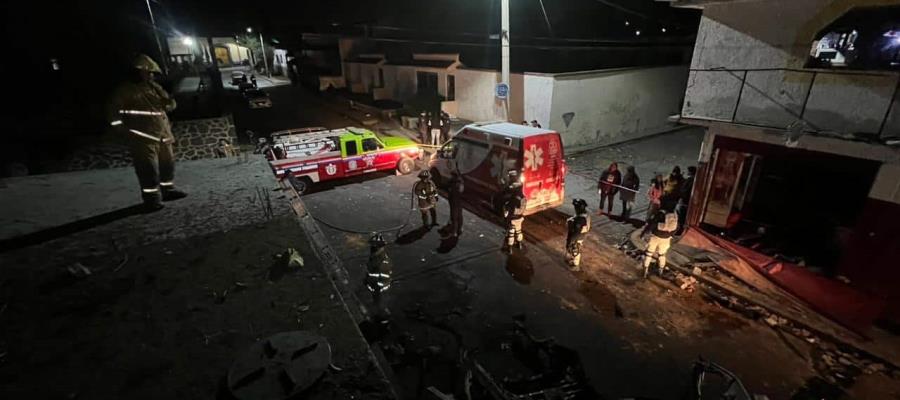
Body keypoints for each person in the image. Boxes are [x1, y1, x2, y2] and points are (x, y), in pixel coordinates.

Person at [108, 54, 187, 212]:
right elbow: (113, 113)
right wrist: (123, 130)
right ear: (138, 72)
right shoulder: (125, 90)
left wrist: (170, 102)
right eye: (149, 72)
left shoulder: (155, 87)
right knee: (147, 168)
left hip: (163, 134)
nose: (152, 75)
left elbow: (169, 106)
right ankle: (152, 199)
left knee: (167, 164)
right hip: (142, 136)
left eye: (152, 73)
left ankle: (168, 190)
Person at [642, 209, 678, 278]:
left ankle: (645, 270)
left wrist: (645, 233)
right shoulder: (675, 216)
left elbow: (652, 225)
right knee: (662, 255)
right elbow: (676, 228)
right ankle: (660, 270)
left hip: (655, 237)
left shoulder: (660, 214)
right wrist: (670, 235)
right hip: (666, 239)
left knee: (649, 254)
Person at [365, 233, 393, 322]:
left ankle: (382, 318)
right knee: (377, 302)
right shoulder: (375, 256)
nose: (372, 248)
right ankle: (379, 315)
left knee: (379, 302)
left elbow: (383, 276)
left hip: (379, 288)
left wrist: (377, 286)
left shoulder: (382, 260)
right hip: (376, 286)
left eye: (374, 246)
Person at [502, 171, 526, 254]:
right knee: (519, 231)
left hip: (513, 217)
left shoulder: (513, 194)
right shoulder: (522, 195)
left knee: (511, 233)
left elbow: (508, 203)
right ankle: (519, 244)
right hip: (520, 216)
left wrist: (506, 211)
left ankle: (510, 249)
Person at [565, 198, 591, 271]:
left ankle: (575, 265)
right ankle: (573, 260)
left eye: (576, 207)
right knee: (575, 247)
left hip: (579, 235)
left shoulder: (581, 219)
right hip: (581, 233)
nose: (575, 208)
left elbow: (576, 233)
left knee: (574, 248)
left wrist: (570, 241)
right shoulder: (585, 214)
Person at [677, 166, 696, 233]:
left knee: (681, 216)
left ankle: (680, 229)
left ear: (690, 172)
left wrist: (680, 195)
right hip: (687, 201)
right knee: (683, 215)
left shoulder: (690, 180)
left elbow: (684, 190)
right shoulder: (694, 180)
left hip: (684, 201)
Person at [446, 170, 465, 237]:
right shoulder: (460, 182)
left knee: (454, 216)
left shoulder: (454, 182)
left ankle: (454, 231)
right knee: (459, 216)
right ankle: (459, 229)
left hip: (454, 201)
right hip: (458, 201)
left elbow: (449, 188)